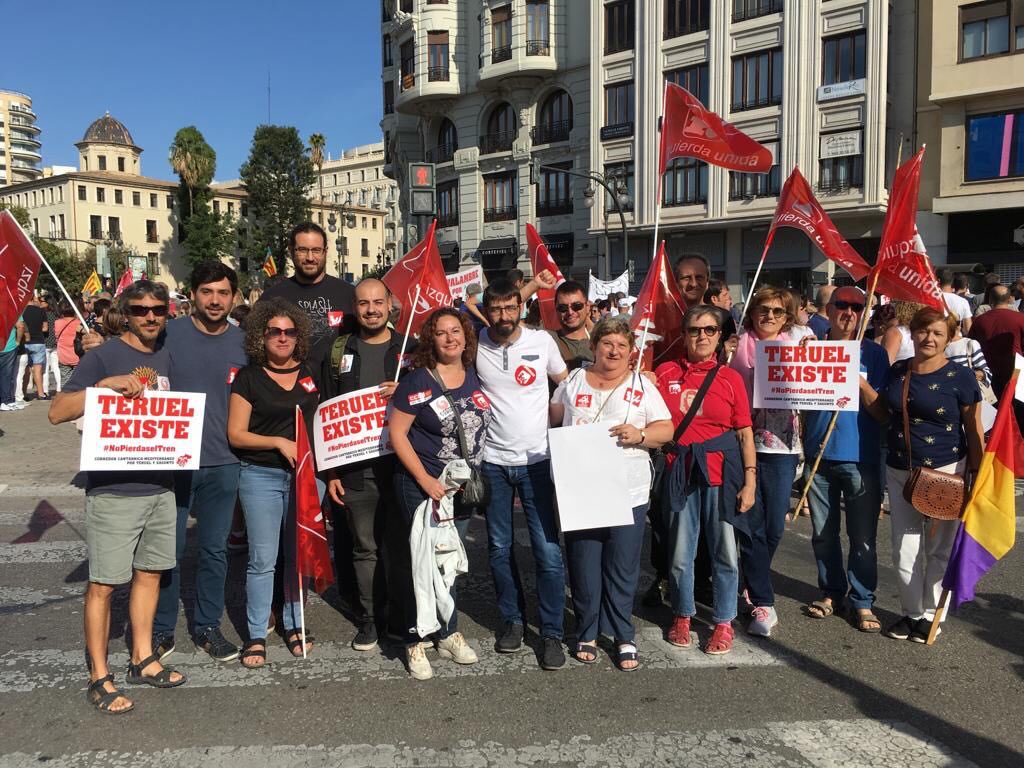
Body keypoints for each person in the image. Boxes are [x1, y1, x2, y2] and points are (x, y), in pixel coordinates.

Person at [48, 280, 185, 714]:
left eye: (158, 310)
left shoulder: (166, 353)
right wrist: (105, 385)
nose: (149, 316)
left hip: (160, 485)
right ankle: (99, 677)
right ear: (126, 312)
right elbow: (57, 411)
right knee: (104, 585)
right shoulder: (103, 355)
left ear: (167, 313)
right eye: (141, 309)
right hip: (112, 489)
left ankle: (143, 658)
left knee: (149, 575)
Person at [550, 317, 672, 670]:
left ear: (632, 350)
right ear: (594, 346)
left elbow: (666, 427)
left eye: (621, 344)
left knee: (621, 567)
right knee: (584, 565)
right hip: (581, 490)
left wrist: (641, 435)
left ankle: (622, 633)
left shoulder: (642, 385)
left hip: (628, 490)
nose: (614, 350)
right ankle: (587, 629)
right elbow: (551, 417)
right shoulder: (573, 382)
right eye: (607, 343)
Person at [861, 308, 983, 643]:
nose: (929, 338)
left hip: (945, 471)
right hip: (900, 469)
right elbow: (882, 413)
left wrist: (977, 472)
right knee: (904, 548)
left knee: (939, 548)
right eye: (923, 331)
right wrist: (858, 382)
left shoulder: (960, 376)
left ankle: (931, 614)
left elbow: (973, 429)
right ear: (912, 333)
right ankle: (912, 612)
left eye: (938, 333)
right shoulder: (899, 369)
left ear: (948, 338)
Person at [387, 308, 492, 679]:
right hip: (423, 485)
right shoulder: (419, 381)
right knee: (419, 565)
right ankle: (413, 640)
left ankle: (447, 631)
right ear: (431, 339)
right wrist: (425, 481)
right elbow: (397, 434)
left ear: (466, 336)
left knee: (448, 564)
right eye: (441, 333)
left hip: (460, 489)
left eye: (456, 331)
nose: (450, 339)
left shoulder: (475, 374)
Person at [153, 262, 248, 663]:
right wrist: (96, 347)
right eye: (207, 291)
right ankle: (158, 630)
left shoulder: (245, 342)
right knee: (165, 551)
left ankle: (207, 625)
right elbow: (125, 357)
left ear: (233, 298)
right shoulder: (166, 334)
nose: (214, 300)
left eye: (223, 293)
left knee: (214, 550)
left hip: (224, 462)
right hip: (171, 460)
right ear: (192, 294)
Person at [476, 280, 569, 669]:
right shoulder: (475, 342)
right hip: (493, 463)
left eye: (510, 308)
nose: (503, 316)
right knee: (499, 549)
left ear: (521, 308)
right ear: (487, 311)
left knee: (547, 551)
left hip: (537, 460)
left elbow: (566, 385)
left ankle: (551, 633)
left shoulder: (542, 342)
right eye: (495, 309)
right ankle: (512, 621)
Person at [655, 306, 756, 655]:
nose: (702, 337)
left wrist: (750, 481)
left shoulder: (730, 379)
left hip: (721, 474)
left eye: (709, 330)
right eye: (695, 330)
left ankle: (724, 620)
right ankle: (683, 613)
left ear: (718, 336)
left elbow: (744, 433)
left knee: (725, 552)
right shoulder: (664, 372)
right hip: (681, 471)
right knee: (681, 553)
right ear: (683, 335)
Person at [227, 298, 321, 667]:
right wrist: (279, 442)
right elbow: (236, 434)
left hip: (305, 478)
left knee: (298, 555)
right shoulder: (249, 377)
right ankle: (255, 634)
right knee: (263, 559)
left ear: (299, 337)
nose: (282, 339)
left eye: (289, 332)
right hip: (260, 475)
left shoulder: (312, 373)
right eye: (274, 332)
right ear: (261, 337)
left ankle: (294, 624)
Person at [321, 278, 407, 652]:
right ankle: (370, 619)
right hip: (354, 470)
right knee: (364, 548)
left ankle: (402, 617)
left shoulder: (410, 349)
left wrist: (405, 391)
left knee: (402, 546)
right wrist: (331, 472)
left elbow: (432, 398)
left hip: (402, 468)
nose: (371, 309)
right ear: (354, 307)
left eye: (378, 302)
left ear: (390, 304)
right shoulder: (337, 350)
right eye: (363, 303)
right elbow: (324, 411)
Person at [801, 287, 890, 632]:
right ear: (829, 309)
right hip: (819, 454)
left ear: (865, 313)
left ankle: (863, 600)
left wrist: (857, 381)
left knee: (862, 537)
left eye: (857, 307)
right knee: (823, 535)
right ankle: (832, 592)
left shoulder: (876, 355)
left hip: (860, 457)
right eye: (843, 305)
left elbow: (883, 412)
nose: (850, 312)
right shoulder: (810, 350)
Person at [730, 286, 807, 637]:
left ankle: (751, 576)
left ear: (787, 317)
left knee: (774, 525)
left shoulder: (799, 347)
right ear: (753, 312)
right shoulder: (736, 345)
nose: (770, 316)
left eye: (778, 311)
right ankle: (761, 598)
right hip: (742, 443)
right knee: (751, 522)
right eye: (764, 309)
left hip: (782, 447)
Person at [259, 222, 356, 360]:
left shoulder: (349, 294)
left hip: (338, 380)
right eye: (303, 250)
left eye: (316, 250)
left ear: (325, 251)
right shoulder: (272, 296)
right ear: (291, 251)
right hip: (287, 380)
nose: (310, 258)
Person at [969, 285, 1024, 405]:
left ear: (990, 300)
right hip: (1016, 372)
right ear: (1009, 299)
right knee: (1016, 410)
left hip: (989, 372)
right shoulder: (1021, 319)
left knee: (994, 409)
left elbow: (971, 346)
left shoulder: (980, 320)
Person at [548, 280, 594, 372]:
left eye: (577, 306)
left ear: (588, 306)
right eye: (563, 308)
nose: (570, 312)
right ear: (556, 310)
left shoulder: (603, 342)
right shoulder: (547, 339)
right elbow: (512, 322)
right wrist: (534, 285)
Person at [20, 293, 48, 400]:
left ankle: (23, 393)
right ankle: (41, 393)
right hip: (39, 342)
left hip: (25, 342)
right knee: (38, 370)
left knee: (25, 370)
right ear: (33, 298)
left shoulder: (21, 312)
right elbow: (45, 328)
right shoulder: (41, 311)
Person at [53, 300, 83, 389]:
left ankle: (65, 397)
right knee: (79, 380)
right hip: (77, 356)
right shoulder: (79, 323)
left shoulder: (57, 323)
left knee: (65, 380)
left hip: (63, 356)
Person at [938, 269, 972, 335]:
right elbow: (968, 329)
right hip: (956, 339)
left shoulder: (930, 299)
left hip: (936, 339)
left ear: (938, 281)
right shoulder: (963, 301)